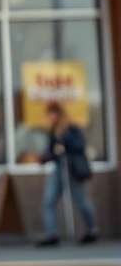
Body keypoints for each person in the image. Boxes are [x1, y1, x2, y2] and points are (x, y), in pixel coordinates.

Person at [36, 102, 98, 246]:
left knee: (80, 200)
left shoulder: (71, 129)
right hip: (59, 168)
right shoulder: (54, 131)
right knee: (49, 199)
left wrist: (65, 145)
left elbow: (80, 145)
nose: (49, 118)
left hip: (72, 168)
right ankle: (51, 234)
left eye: (51, 114)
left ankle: (92, 229)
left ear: (57, 114)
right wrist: (46, 157)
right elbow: (51, 150)